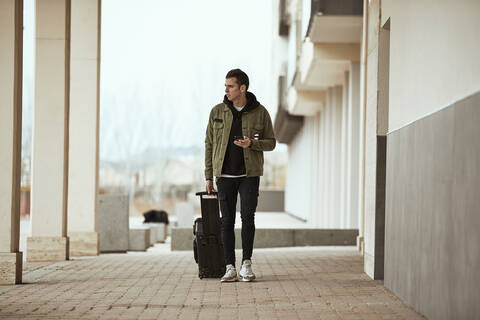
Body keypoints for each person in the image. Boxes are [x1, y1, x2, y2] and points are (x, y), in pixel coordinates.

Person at [204, 68, 276, 282]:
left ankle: (246, 264)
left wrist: (252, 144)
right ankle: (229, 267)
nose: (226, 90)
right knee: (226, 221)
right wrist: (208, 176)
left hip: (249, 175)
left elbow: (271, 143)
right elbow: (209, 144)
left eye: (230, 86)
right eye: (226, 86)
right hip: (223, 176)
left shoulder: (260, 112)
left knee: (248, 218)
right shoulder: (217, 112)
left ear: (242, 88)